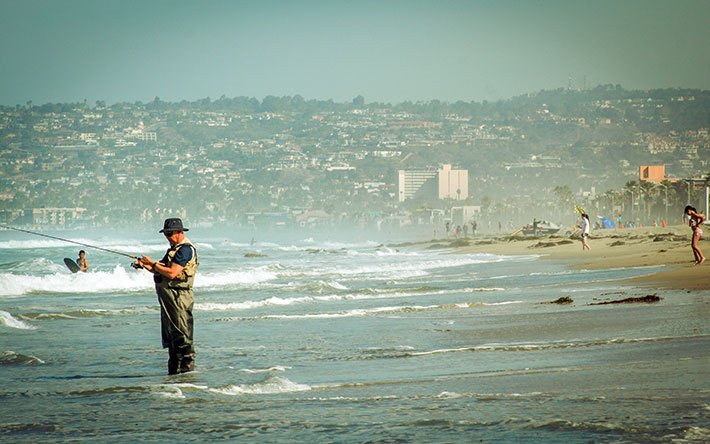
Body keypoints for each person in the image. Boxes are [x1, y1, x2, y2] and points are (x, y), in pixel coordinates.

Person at [134, 218, 199, 374]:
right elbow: (160, 269)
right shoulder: (174, 249)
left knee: (182, 338)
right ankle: (175, 377)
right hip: (169, 299)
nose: (168, 237)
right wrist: (144, 265)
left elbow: (172, 273)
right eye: (166, 234)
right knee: (172, 339)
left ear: (180, 232)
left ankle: (186, 376)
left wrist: (153, 264)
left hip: (179, 299)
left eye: (170, 234)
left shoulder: (185, 250)